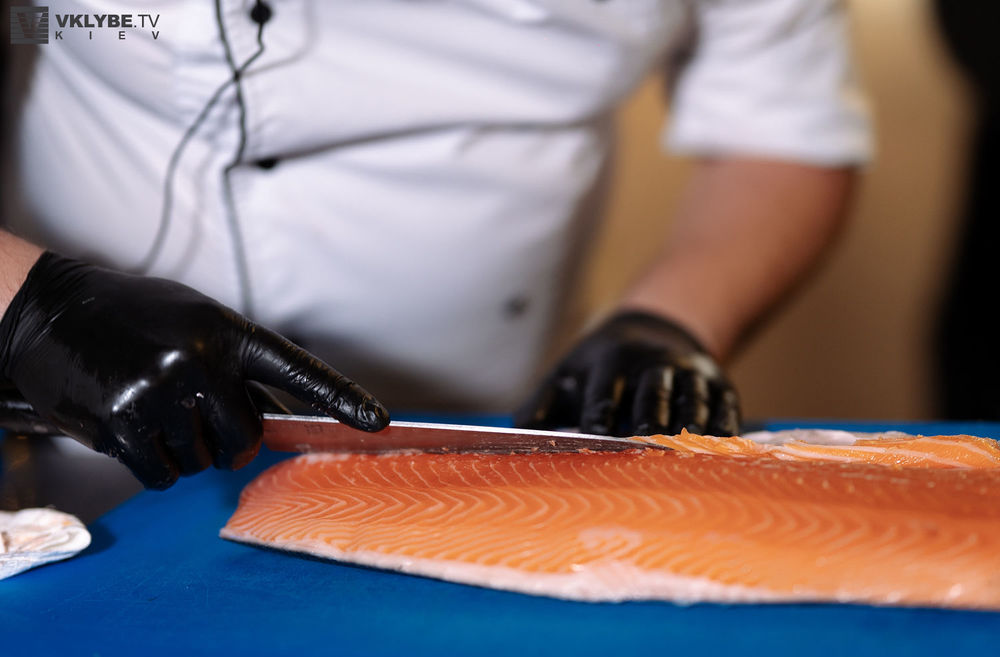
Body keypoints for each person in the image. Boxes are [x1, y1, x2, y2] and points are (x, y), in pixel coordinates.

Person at [0, 0, 870, 489]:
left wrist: (673, 320)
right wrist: (31, 307)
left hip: (485, 425)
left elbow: (780, 127)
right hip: (73, 424)